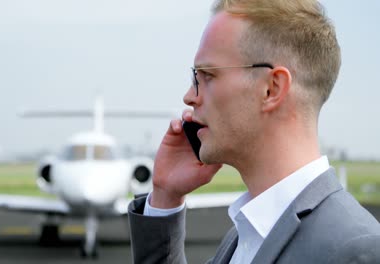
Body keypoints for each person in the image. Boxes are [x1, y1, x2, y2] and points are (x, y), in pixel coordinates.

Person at [128, 0, 380, 263]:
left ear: (271, 89)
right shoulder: (246, 234)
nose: (189, 97)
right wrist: (165, 196)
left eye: (207, 75)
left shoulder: (356, 251)